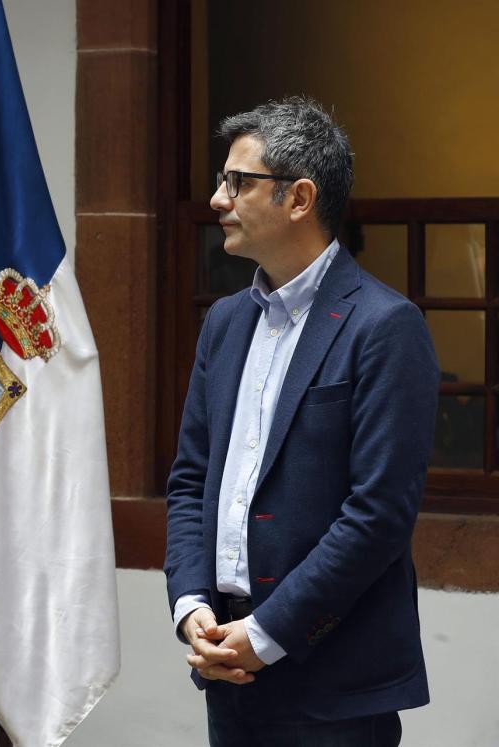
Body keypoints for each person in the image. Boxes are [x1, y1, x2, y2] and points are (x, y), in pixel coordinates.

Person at [164, 97, 439, 746]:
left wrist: (265, 635)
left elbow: (377, 514)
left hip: (332, 683)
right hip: (226, 669)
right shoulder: (225, 322)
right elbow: (189, 481)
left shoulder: (384, 326)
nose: (215, 199)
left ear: (299, 198)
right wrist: (191, 605)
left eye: (237, 181)